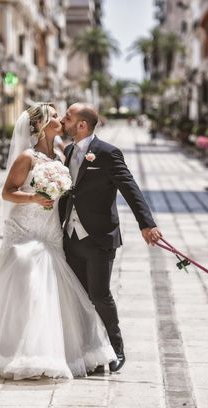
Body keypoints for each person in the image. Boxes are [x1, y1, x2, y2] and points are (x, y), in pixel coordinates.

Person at [0, 103, 116, 380]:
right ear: (41, 125)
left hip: (51, 228)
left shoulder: (60, 153)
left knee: (54, 287)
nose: (60, 118)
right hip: (27, 227)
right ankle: (19, 351)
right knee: (30, 283)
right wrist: (33, 197)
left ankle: (59, 349)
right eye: (55, 116)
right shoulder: (26, 158)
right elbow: (8, 192)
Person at [59, 103, 163, 374]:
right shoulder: (68, 151)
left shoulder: (107, 153)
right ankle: (89, 350)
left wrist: (146, 224)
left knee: (100, 295)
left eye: (68, 117)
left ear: (81, 124)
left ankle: (116, 348)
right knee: (79, 297)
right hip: (71, 237)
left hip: (99, 237)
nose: (62, 120)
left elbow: (129, 187)